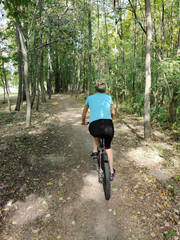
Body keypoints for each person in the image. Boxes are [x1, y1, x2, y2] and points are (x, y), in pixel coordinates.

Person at [82, 80, 115, 181]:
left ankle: (95, 151)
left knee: (93, 131)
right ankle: (111, 172)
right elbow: (112, 112)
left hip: (95, 126)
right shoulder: (109, 98)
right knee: (108, 147)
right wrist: (111, 119)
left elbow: (84, 113)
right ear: (105, 90)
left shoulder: (90, 98)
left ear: (95, 89)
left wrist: (83, 122)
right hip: (109, 126)